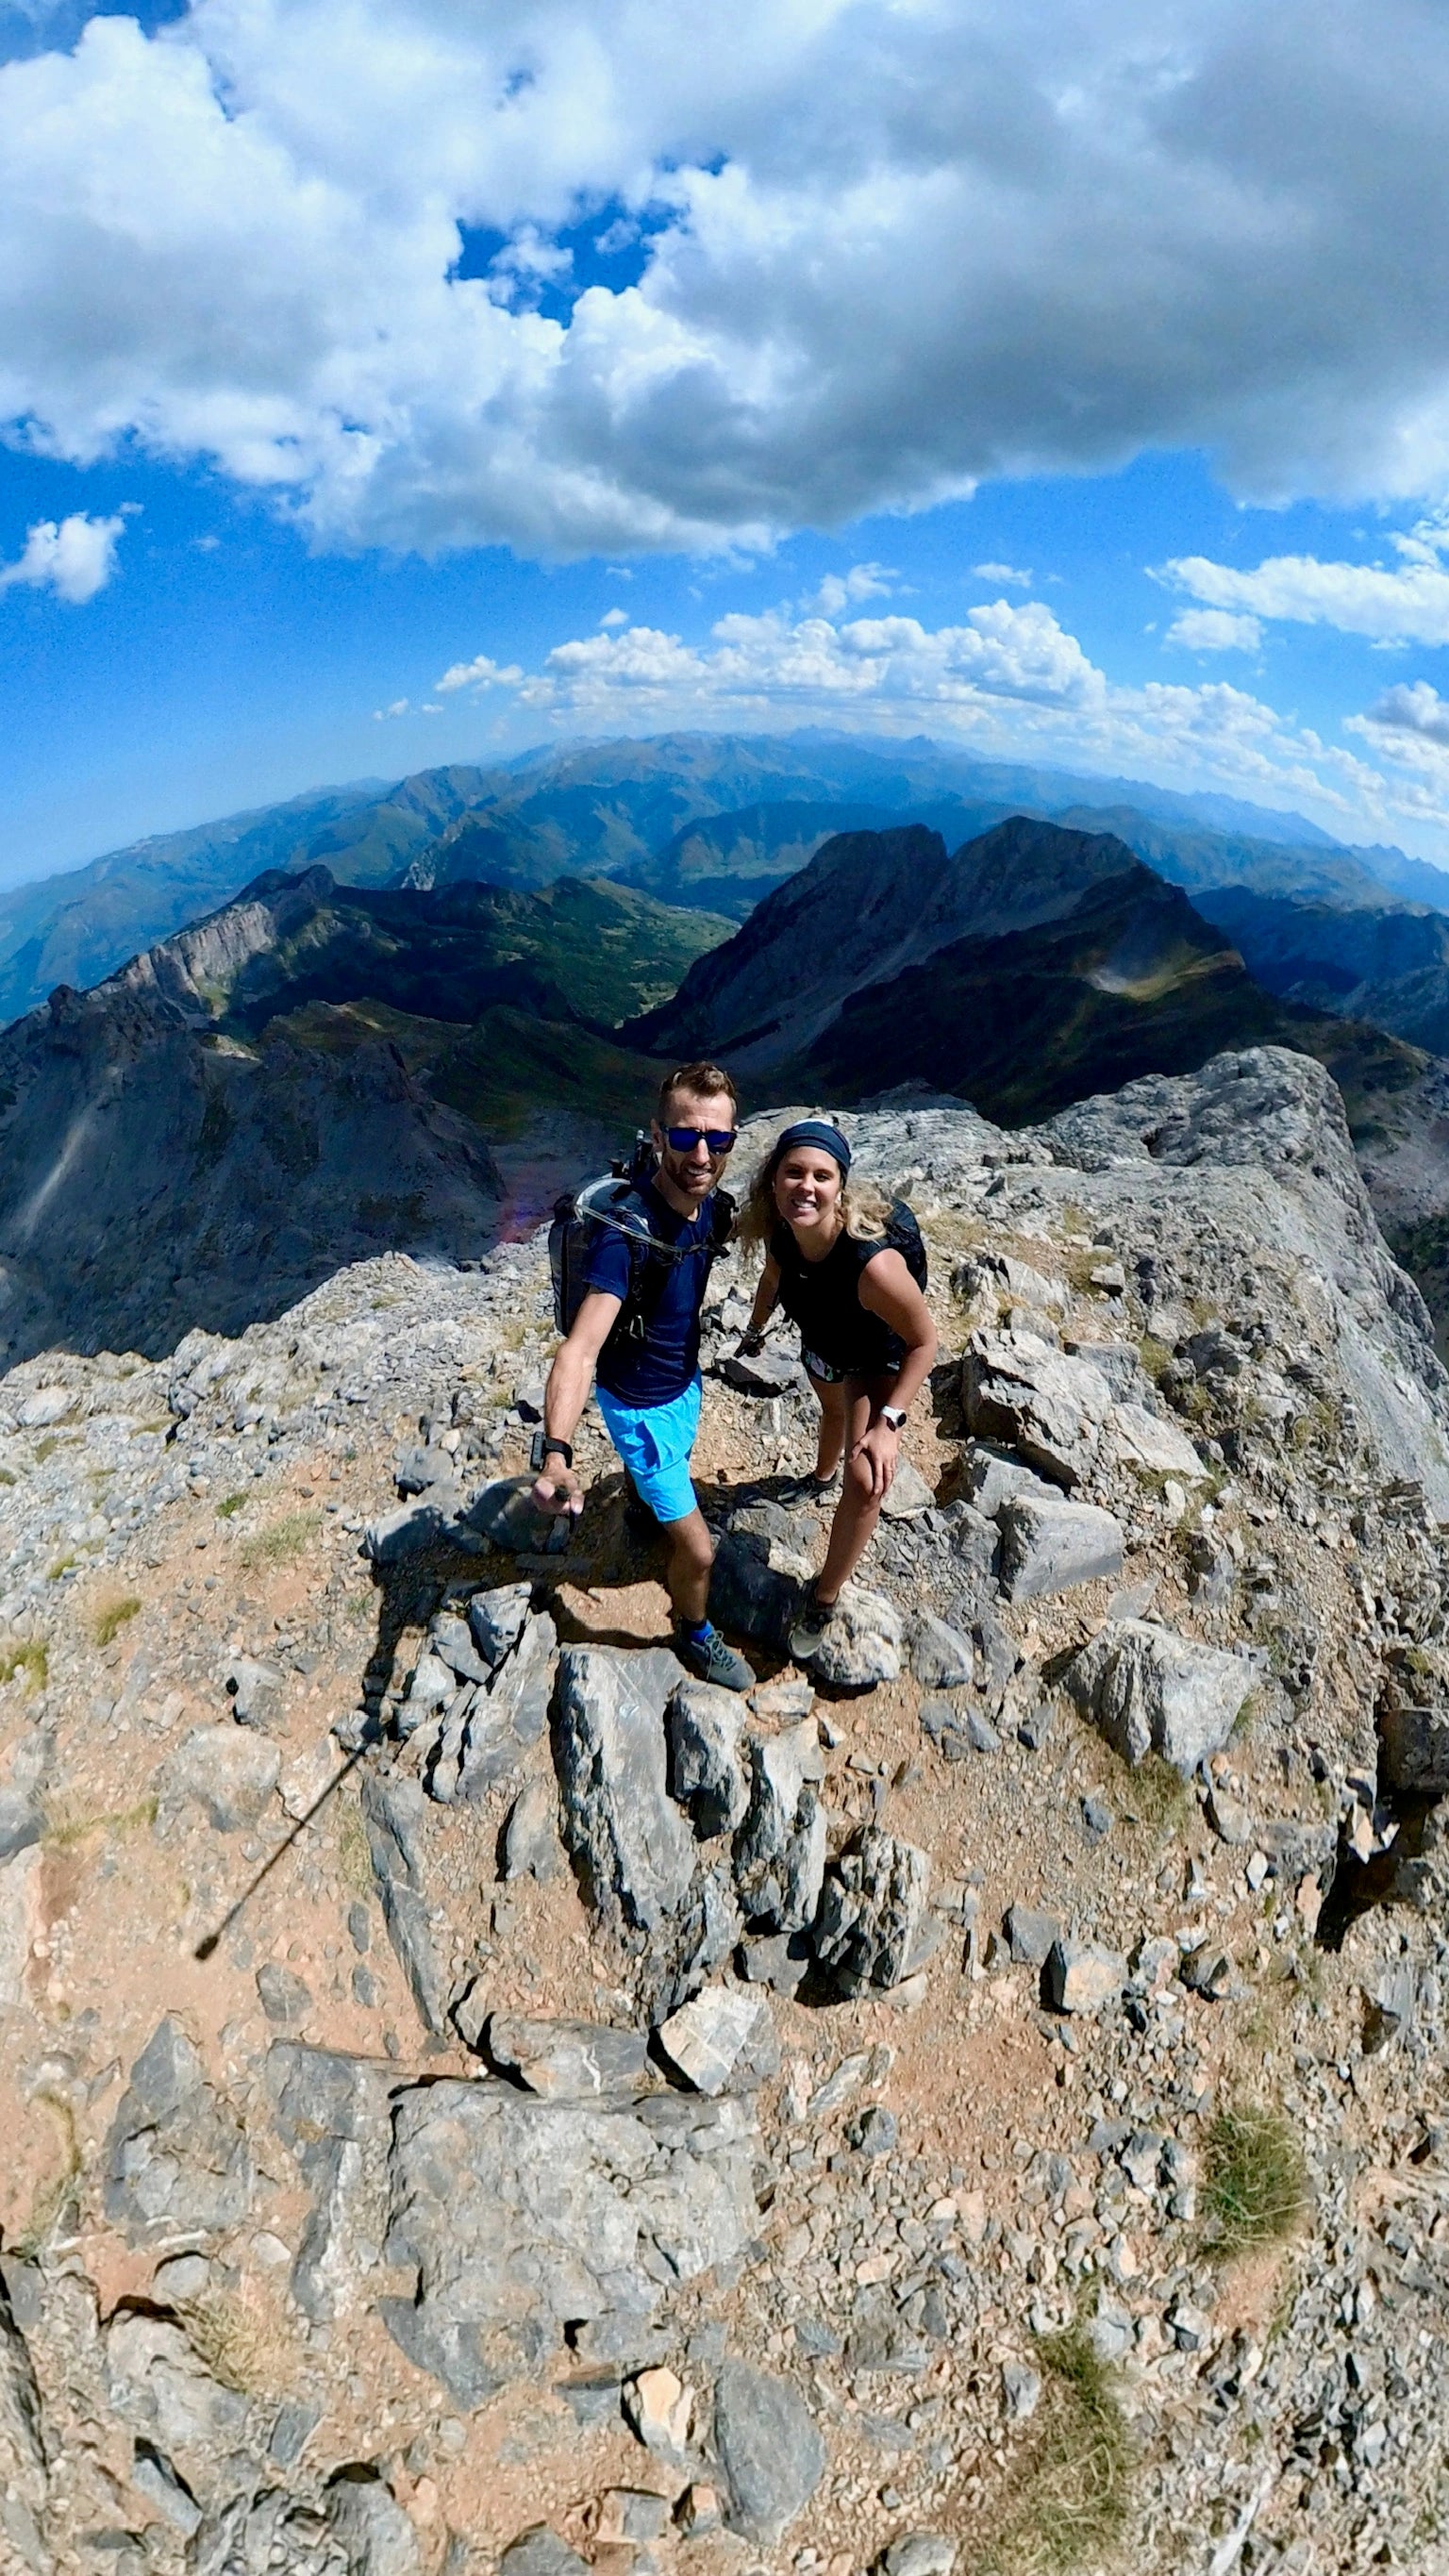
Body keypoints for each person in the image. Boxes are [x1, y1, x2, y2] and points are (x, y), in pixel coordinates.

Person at [530, 1060, 755, 1690]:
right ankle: (693, 1631)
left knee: (673, 1461)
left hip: (682, 1385)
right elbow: (580, 1348)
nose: (702, 1153)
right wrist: (556, 1454)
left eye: (718, 1139)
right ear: (658, 1136)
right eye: (685, 1136)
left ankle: (637, 1500)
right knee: (700, 1549)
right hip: (637, 1407)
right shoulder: (623, 1234)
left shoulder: (711, 1209)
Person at [736, 1118, 937, 1663]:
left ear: (840, 1188)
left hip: (876, 1360)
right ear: (773, 1182)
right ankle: (818, 1477)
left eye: (822, 1176)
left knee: (868, 1476)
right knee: (829, 1405)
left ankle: (824, 1599)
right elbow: (773, 1281)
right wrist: (754, 1331)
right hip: (824, 1340)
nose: (807, 1186)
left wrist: (889, 1424)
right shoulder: (783, 1235)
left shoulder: (872, 1267)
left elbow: (925, 1342)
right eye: (794, 1173)